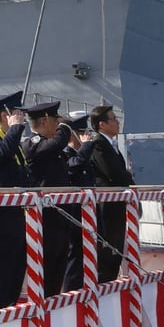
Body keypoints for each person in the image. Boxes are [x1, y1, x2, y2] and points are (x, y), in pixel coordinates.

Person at [0, 91, 32, 310]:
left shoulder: (14, 141)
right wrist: (15, 129)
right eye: (19, 114)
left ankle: (9, 317)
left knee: (15, 277)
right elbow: (1, 153)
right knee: (1, 279)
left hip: (19, 219)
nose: (23, 119)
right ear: (6, 115)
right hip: (2, 221)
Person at [21, 102, 74, 298]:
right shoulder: (34, 144)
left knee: (57, 272)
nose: (58, 124)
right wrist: (66, 126)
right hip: (46, 220)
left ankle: (51, 309)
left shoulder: (49, 146)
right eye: (55, 120)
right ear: (44, 120)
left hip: (60, 218)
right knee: (47, 271)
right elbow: (57, 143)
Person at [88, 104, 134, 282]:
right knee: (108, 253)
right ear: (102, 124)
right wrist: (131, 186)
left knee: (116, 252)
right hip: (107, 207)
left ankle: (109, 287)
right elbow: (112, 173)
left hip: (116, 206)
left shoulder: (111, 145)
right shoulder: (98, 144)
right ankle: (104, 289)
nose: (117, 122)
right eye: (113, 119)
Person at [61, 113, 96, 292]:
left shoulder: (83, 154)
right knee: (74, 260)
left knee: (84, 258)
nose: (86, 136)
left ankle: (82, 290)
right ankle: (71, 294)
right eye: (81, 132)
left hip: (85, 215)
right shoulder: (66, 154)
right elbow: (72, 167)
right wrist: (86, 148)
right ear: (73, 134)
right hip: (73, 215)